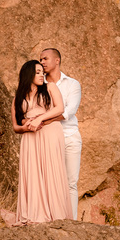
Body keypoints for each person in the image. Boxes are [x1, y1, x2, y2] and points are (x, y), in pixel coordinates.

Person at [10, 59, 73, 224]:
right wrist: (26, 127)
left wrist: (40, 119)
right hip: (30, 137)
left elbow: (59, 108)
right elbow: (16, 126)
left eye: (42, 72)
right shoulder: (18, 97)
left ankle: (56, 214)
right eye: (37, 72)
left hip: (50, 132)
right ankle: (35, 213)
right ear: (28, 74)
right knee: (33, 172)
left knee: (52, 169)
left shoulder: (50, 87)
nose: (41, 75)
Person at [38, 47, 82, 221]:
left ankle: (72, 222)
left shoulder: (72, 84)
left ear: (57, 60)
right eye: (40, 59)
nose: (42, 62)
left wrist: (45, 120)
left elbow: (69, 111)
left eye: (45, 58)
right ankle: (51, 219)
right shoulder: (39, 85)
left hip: (70, 136)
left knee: (71, 182)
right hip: (48, 138)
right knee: (49, 181)